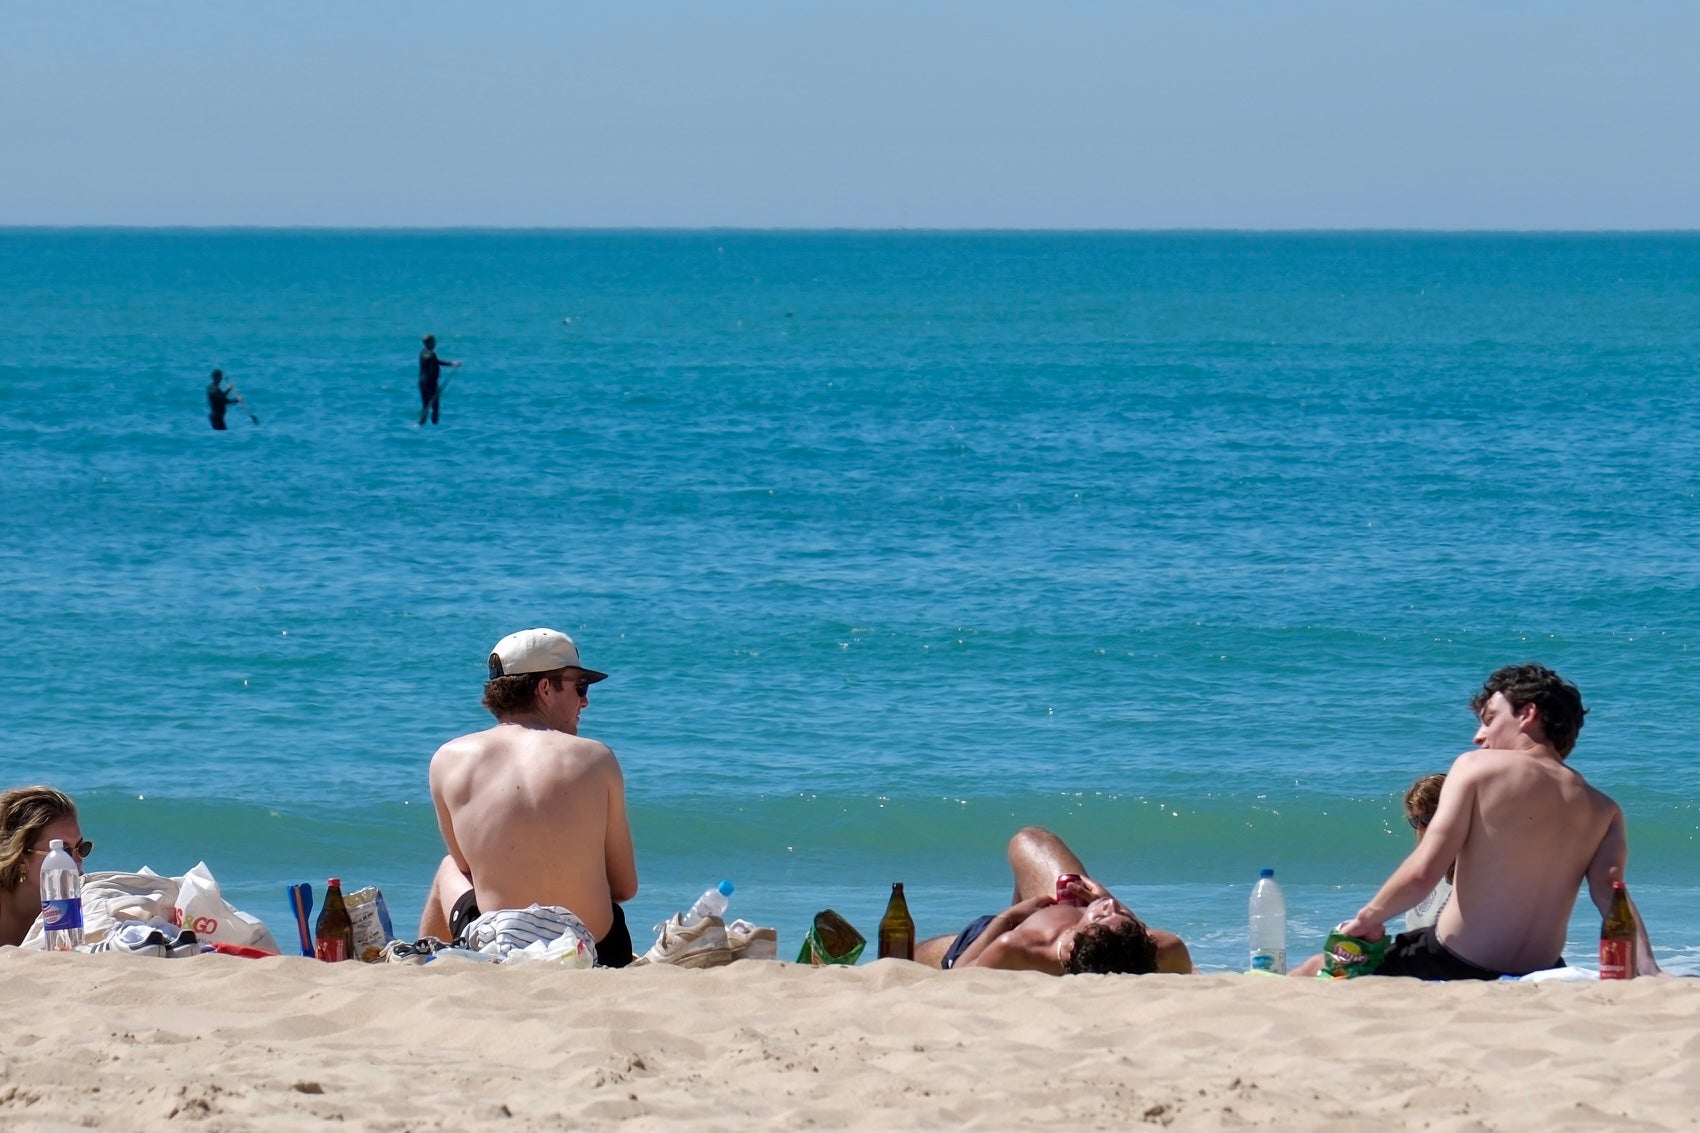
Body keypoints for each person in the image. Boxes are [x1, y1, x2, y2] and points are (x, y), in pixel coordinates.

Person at [1318, 663, 1661, 980]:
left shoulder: (1476, 767)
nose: (1478, 736)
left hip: (1450, 962)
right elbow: (1612, 898)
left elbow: (1424, 872)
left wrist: (1368, 919)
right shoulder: (1604, 809)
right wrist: (1650, 970)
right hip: (1544, 967)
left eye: (1490, 719)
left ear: (1527, 714)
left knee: (1319, 967)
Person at [420, 628, 639, 966]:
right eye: (580, 686)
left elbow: (467, 867)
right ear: (545, 688)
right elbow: (625, 887)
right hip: (596, 950)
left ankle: (423, 962)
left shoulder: (447, 759)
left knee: (449, 867)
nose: (585, 701)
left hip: (497, 946)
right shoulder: (596, 758)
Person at [913, 826, 1192, 975]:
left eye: (1100, 915)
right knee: (1034, 842)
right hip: (1034, 922)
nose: (1110, 905)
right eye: (1126, 918)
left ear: (1073, 942)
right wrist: (1105, 899)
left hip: (985, 936)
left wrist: (1009, 918)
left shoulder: (1020, 947)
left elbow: (960, 974)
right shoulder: (1160, 948)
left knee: (911, 954)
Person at [0, 786, 89, 947]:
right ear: (21, 859)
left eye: (81, 848)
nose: (76, 862)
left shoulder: (84, 901)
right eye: (64, 851)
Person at [417, 335, 461, 425]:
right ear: (429, 343)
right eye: (434, 342)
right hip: (430, 383)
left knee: (425, 406)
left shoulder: (423, 352)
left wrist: (451, 363)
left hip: (422, 382)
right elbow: (433, 371)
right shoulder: (432, 355)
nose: (435, 343)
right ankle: (435, 425)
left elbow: (437, 361)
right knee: (435, 408)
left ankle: (420, 424)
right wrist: (436, 387)